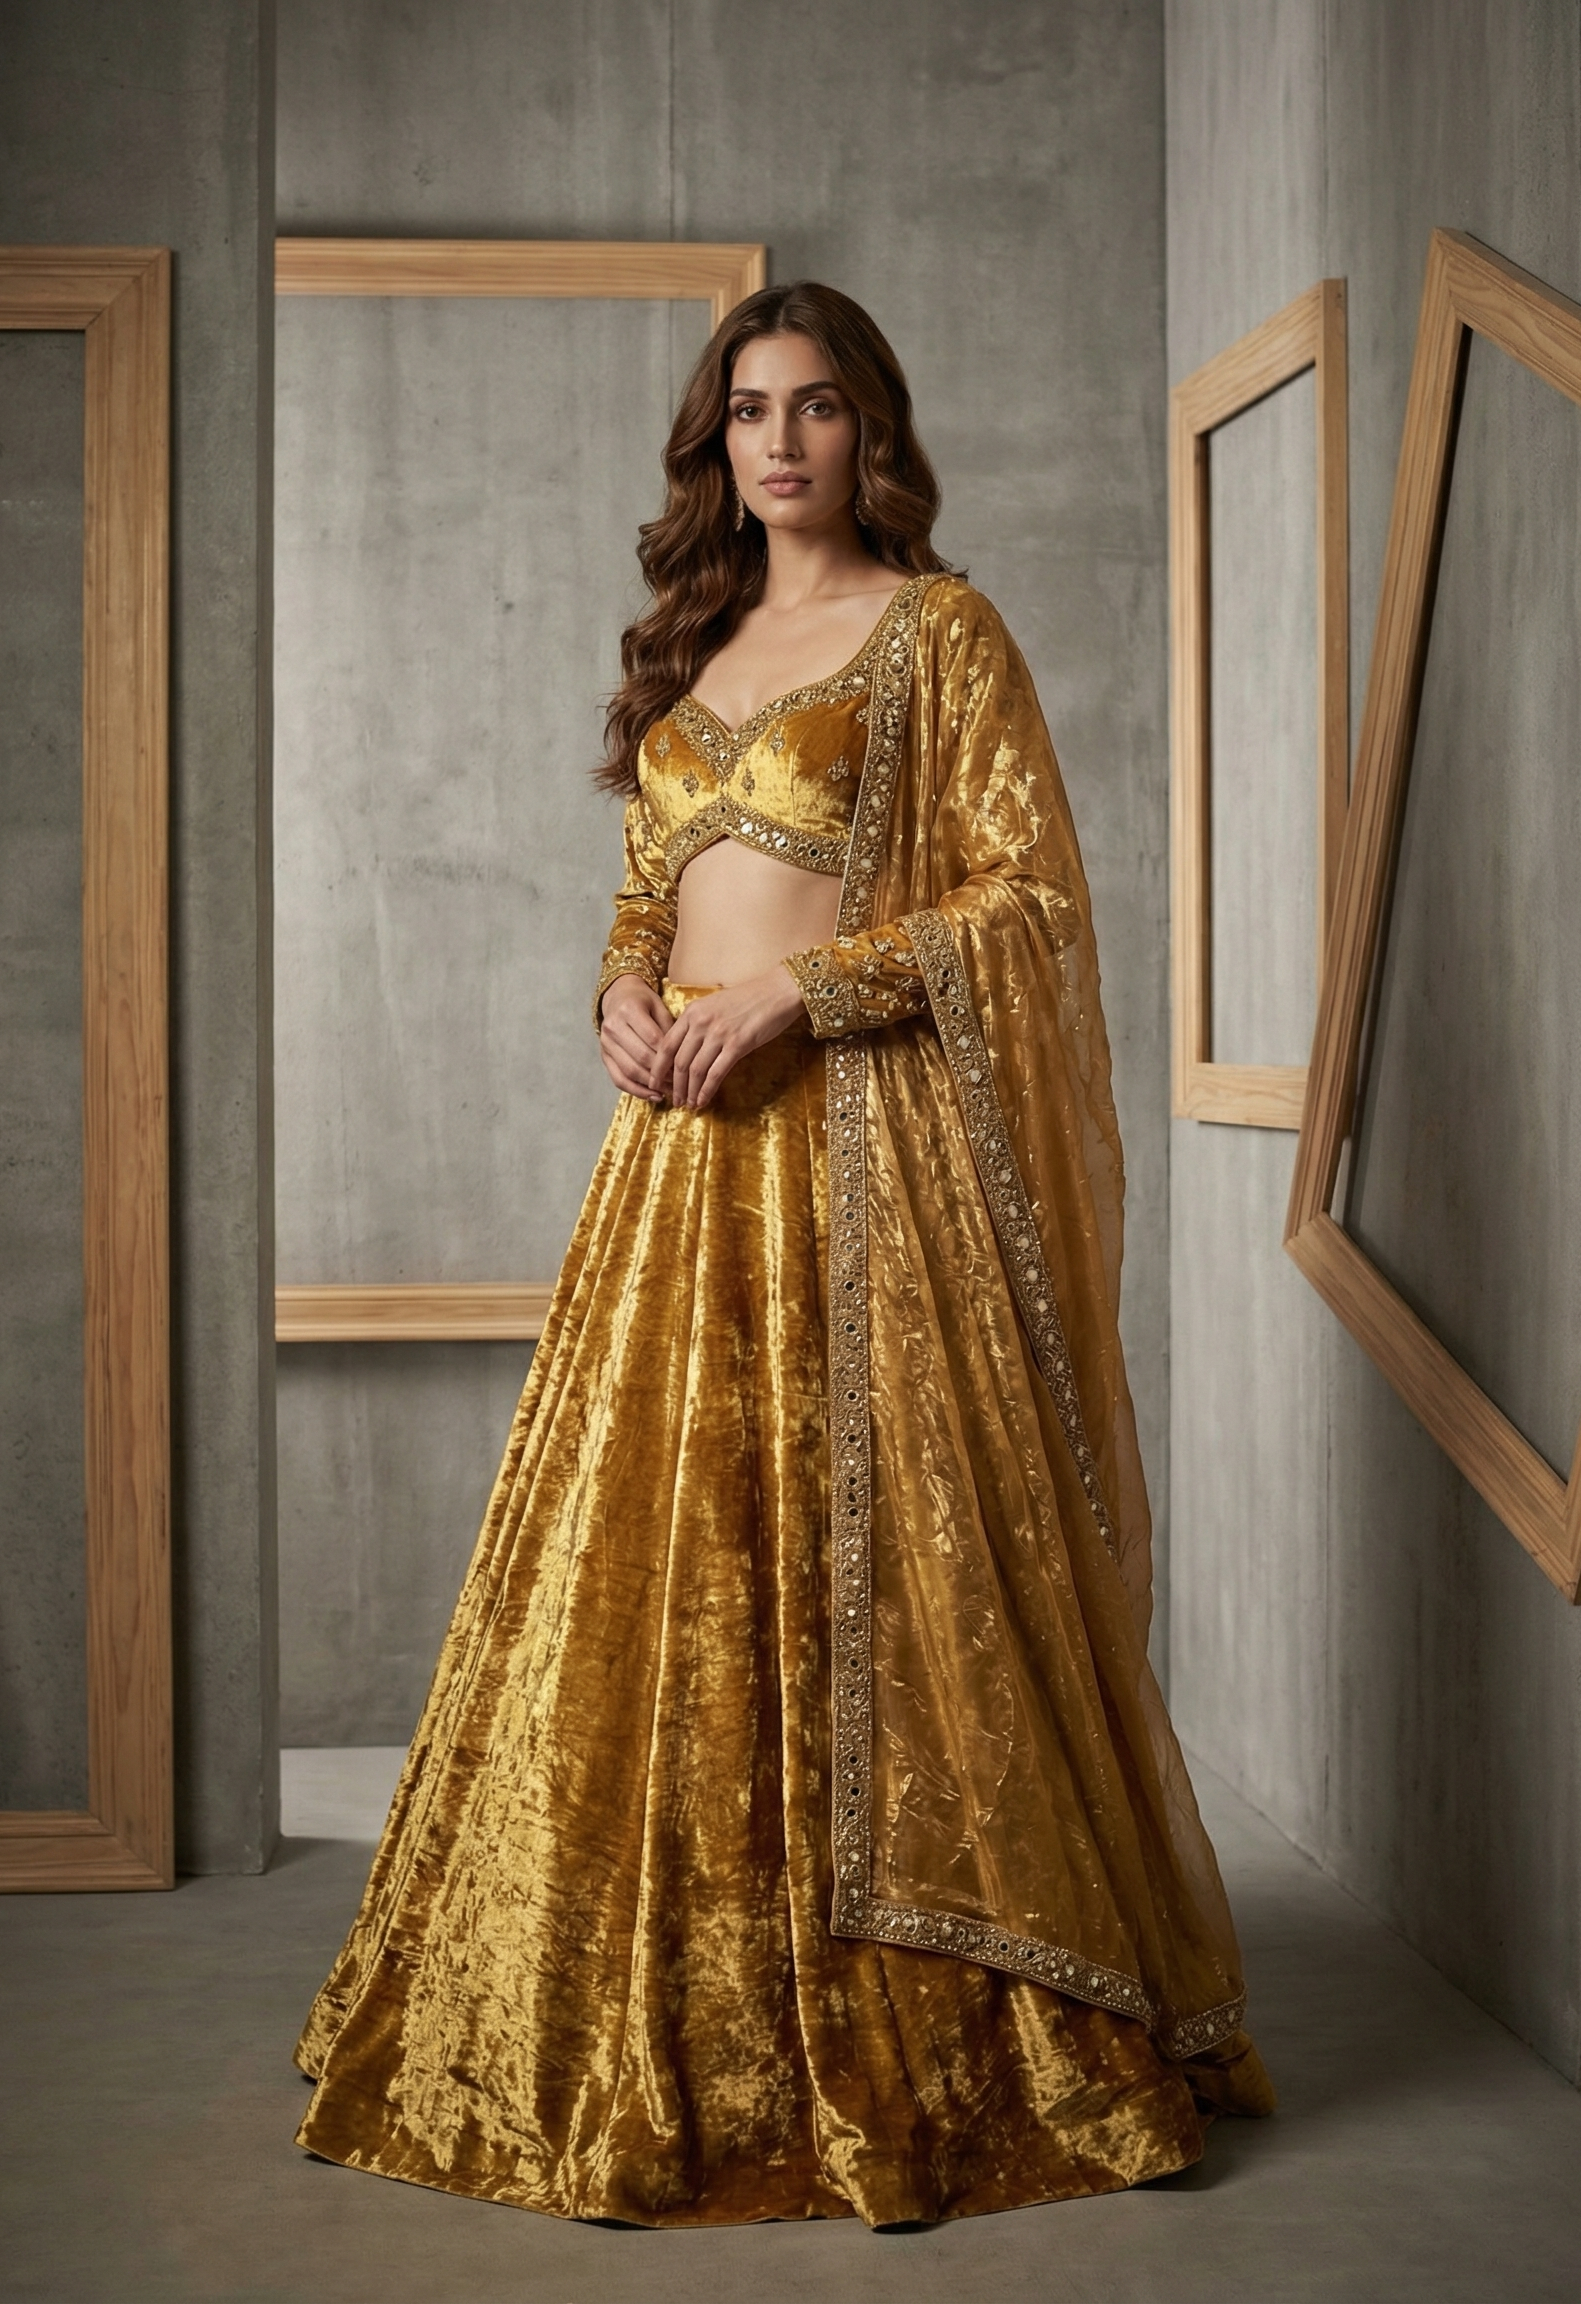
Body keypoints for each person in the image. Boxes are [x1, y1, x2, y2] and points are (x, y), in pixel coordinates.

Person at [293, 282, 1274, 2227]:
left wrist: (804, 994)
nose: (782, 440)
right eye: (748, 408)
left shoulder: (939, 630)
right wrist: (625, 996)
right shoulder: (695, 646)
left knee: (890, 1573)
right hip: (675, 1188)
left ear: (870, 429)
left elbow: (1028, 902)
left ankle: (928, 2007)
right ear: (712, 442)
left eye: (818, 406)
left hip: (864, 1173)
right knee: (666, 1583)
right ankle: (683, 2006)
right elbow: (644, 901)